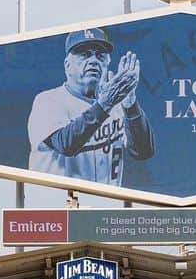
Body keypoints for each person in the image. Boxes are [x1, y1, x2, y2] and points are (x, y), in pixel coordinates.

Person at [28, 28, 155, 185]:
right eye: (84, 54)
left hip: (104, 205)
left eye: (100, 56)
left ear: (107, 64)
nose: (94, 60)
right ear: (67, 65)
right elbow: (65, 144)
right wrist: (105, 103)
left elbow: (143, 151)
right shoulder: (48, 101)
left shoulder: (115, 103)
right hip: (56, 204)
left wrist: (130, 103)